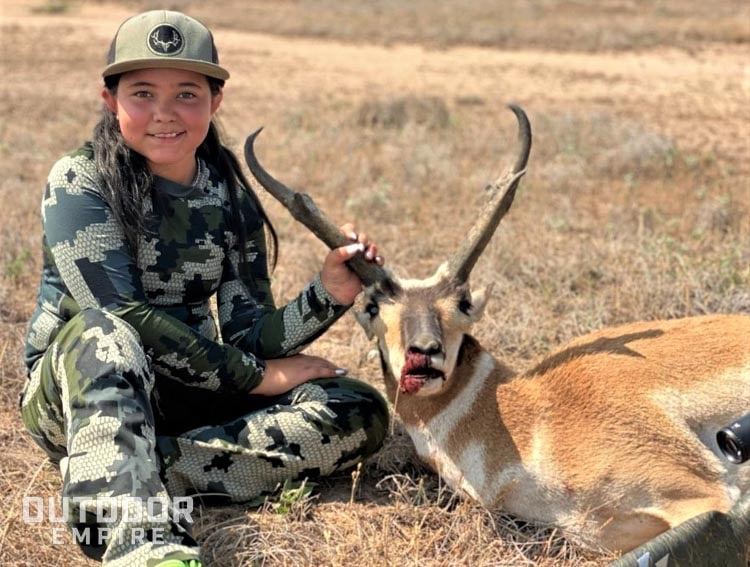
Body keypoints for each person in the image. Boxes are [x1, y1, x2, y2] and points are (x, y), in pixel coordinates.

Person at [19, 10, 389, 567]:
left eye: (187, 94)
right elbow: (121, 311)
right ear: (109, 98)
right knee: (106, 332)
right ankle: (141, 544)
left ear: (215, 102)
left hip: (189, 390)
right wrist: (257, 378)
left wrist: (328, 293)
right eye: (142, 92)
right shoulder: (79, 180)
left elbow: (247, 330)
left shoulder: (227, 194)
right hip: (86, 393)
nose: (164, 114)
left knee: (357, 407)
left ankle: (143, 467)